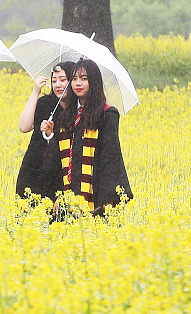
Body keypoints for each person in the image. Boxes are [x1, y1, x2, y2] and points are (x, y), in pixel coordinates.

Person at [44, 58, 133, 216]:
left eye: (84, 78)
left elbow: (110, 158)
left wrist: (107, 198)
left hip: (95, 188)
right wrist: (58, 194)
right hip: (69, 191)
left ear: (94, 82)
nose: (78, 83)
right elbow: (58, 159)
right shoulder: (67, 116)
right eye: (74, 79)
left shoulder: (106, 114)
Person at [15, 63, 74, 201]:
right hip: (32, 170)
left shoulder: (77, 111)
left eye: (63, 80)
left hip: (58, 177)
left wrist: (52, 134)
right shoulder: (45, 103)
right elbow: (24, 126)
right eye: (54, 81)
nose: (58, 85)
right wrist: (35, 92)